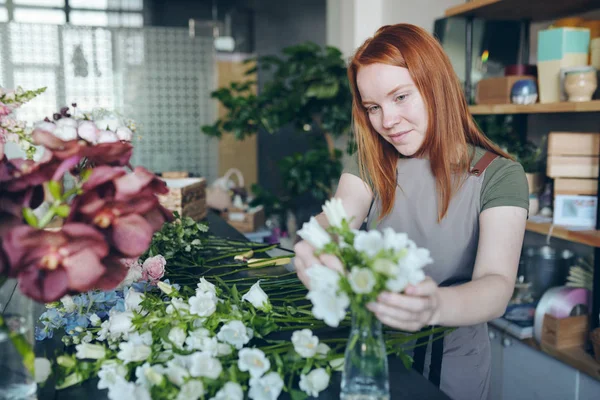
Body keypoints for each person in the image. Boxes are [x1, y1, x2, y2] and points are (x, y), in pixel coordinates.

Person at [293, 23, 529, 400]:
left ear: (435, 84)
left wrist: (435, 304)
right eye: (373, 107)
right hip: (376, 354)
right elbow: (339, 216)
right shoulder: (372, 165)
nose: (387, 121)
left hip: (454, 365)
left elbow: (497, 285)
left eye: (400, 97)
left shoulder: (499, 175)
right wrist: (316, 240)